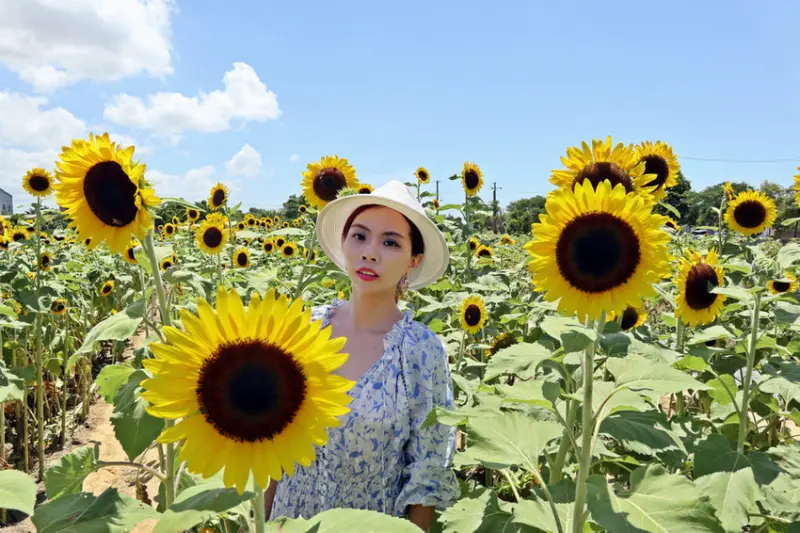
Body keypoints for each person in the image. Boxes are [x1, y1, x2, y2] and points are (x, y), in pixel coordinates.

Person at [265, 180, 459, 531]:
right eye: (359, 236)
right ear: (344, 243)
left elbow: (427, 475)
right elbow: (275, 447)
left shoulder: (420, 352)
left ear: (412, 261)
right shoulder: (304, 329)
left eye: (390, 242)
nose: (370, 252)